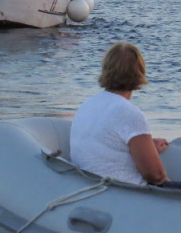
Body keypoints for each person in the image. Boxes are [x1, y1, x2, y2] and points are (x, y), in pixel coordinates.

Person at [70, 42, 170, 186]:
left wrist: (149, 149)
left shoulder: (88, 104)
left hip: (90, 183)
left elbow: (108, 147)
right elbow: (156, 176)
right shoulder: (129, 113)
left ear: (106, 69)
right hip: (126, 191)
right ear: (139, 72)